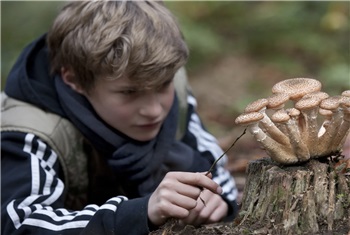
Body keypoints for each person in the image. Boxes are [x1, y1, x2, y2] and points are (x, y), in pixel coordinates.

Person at [1, 1, 238, 234]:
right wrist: (139, 212)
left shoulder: (169, 82)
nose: (154, 110)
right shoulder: (32, 130)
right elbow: (18, 223)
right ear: (74, 80)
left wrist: (218, 201)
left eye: (163, 85)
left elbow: (216, 170)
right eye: (129, 92)